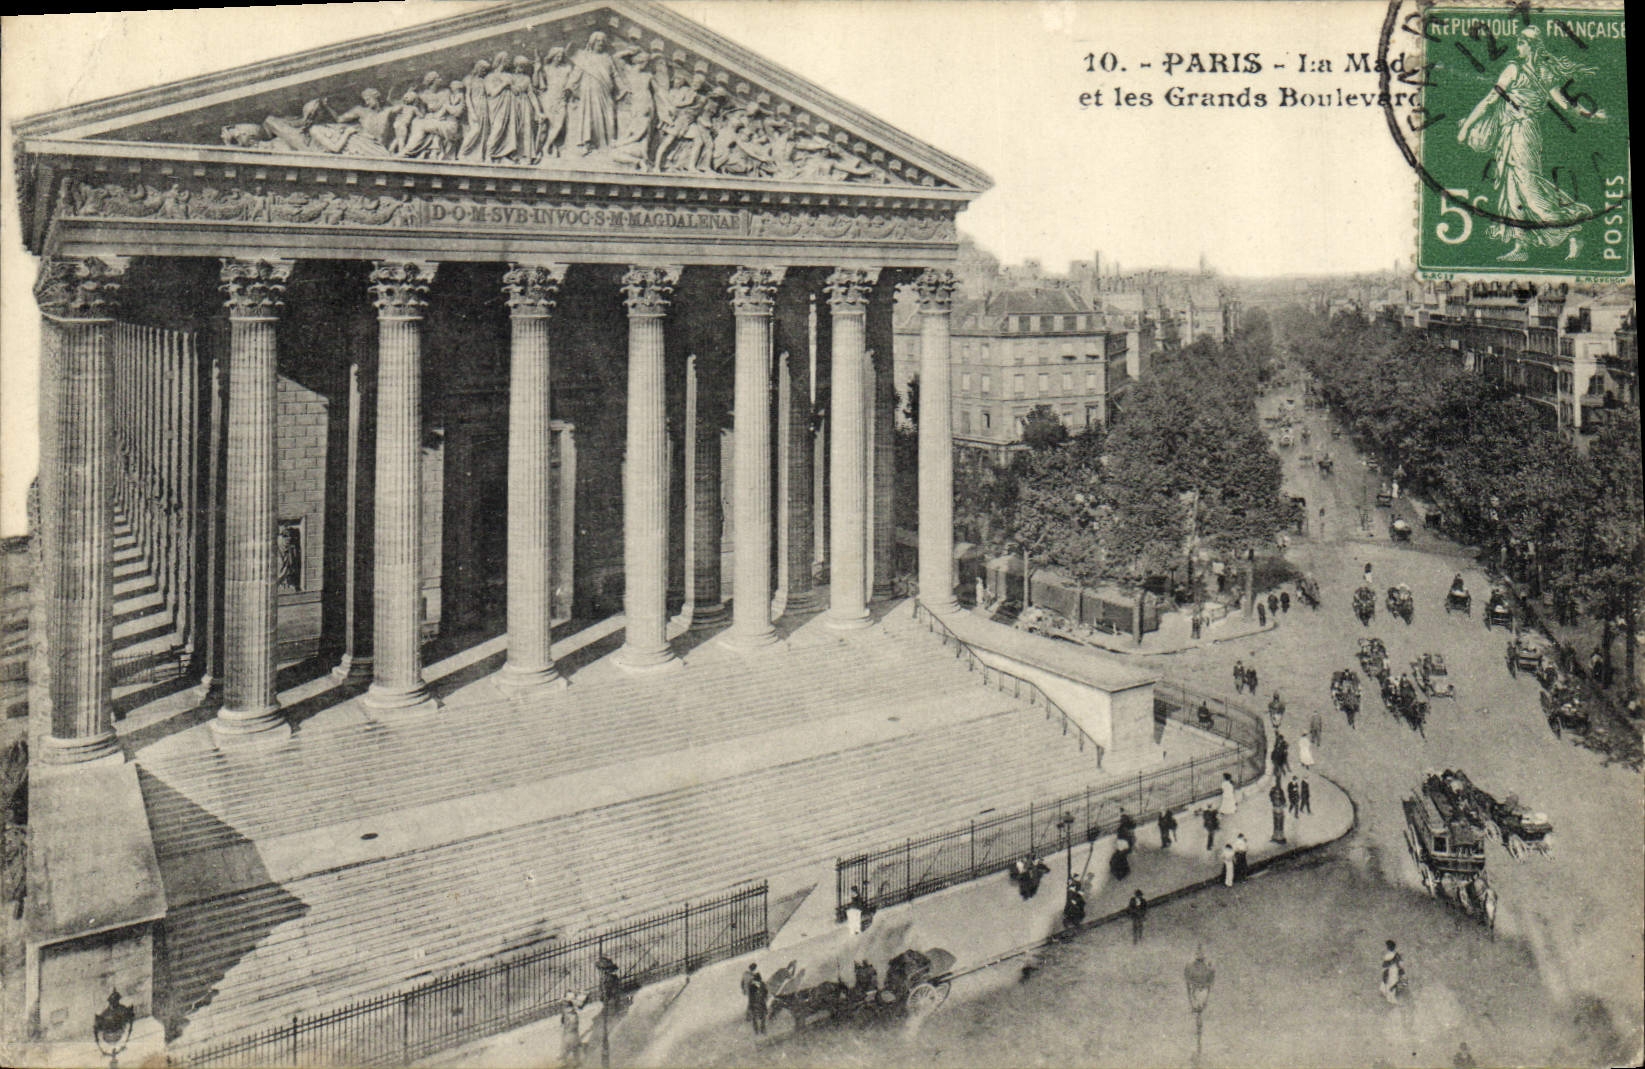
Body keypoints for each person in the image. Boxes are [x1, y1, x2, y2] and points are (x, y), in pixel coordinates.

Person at [1456, 25, 1598, 262]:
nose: (1518, 47)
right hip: (1509, 133)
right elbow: (1491, 100)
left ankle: (1573, 229)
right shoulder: (1518, 69)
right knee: (1511, 187)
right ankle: (1520, 246)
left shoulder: (1535, 73)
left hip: (1524, 132)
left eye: (1522, 43)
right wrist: (1467, 126)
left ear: (1531, 46)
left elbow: (1564, 103)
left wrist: (1590, 115)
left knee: (1530, 189)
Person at [559, 991, 588, 1065]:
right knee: (569, 1038)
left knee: (571, 1039)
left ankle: (574, 1059)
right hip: (568, 1020)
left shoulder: (568, 1008)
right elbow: (580, 1005)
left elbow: (580, 1005)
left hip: (571, 1021)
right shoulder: (566, 1006)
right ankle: (567, 1057)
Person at [745, 967, 769, 1035]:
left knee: (755, 1017)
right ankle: (762, 1029)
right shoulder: (762, 984)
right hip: (760, 1002)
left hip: (755, 1003)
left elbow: (751, 996)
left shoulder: (752, 985)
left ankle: (757, 1030)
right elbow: (765, 992)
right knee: (763, 1015)